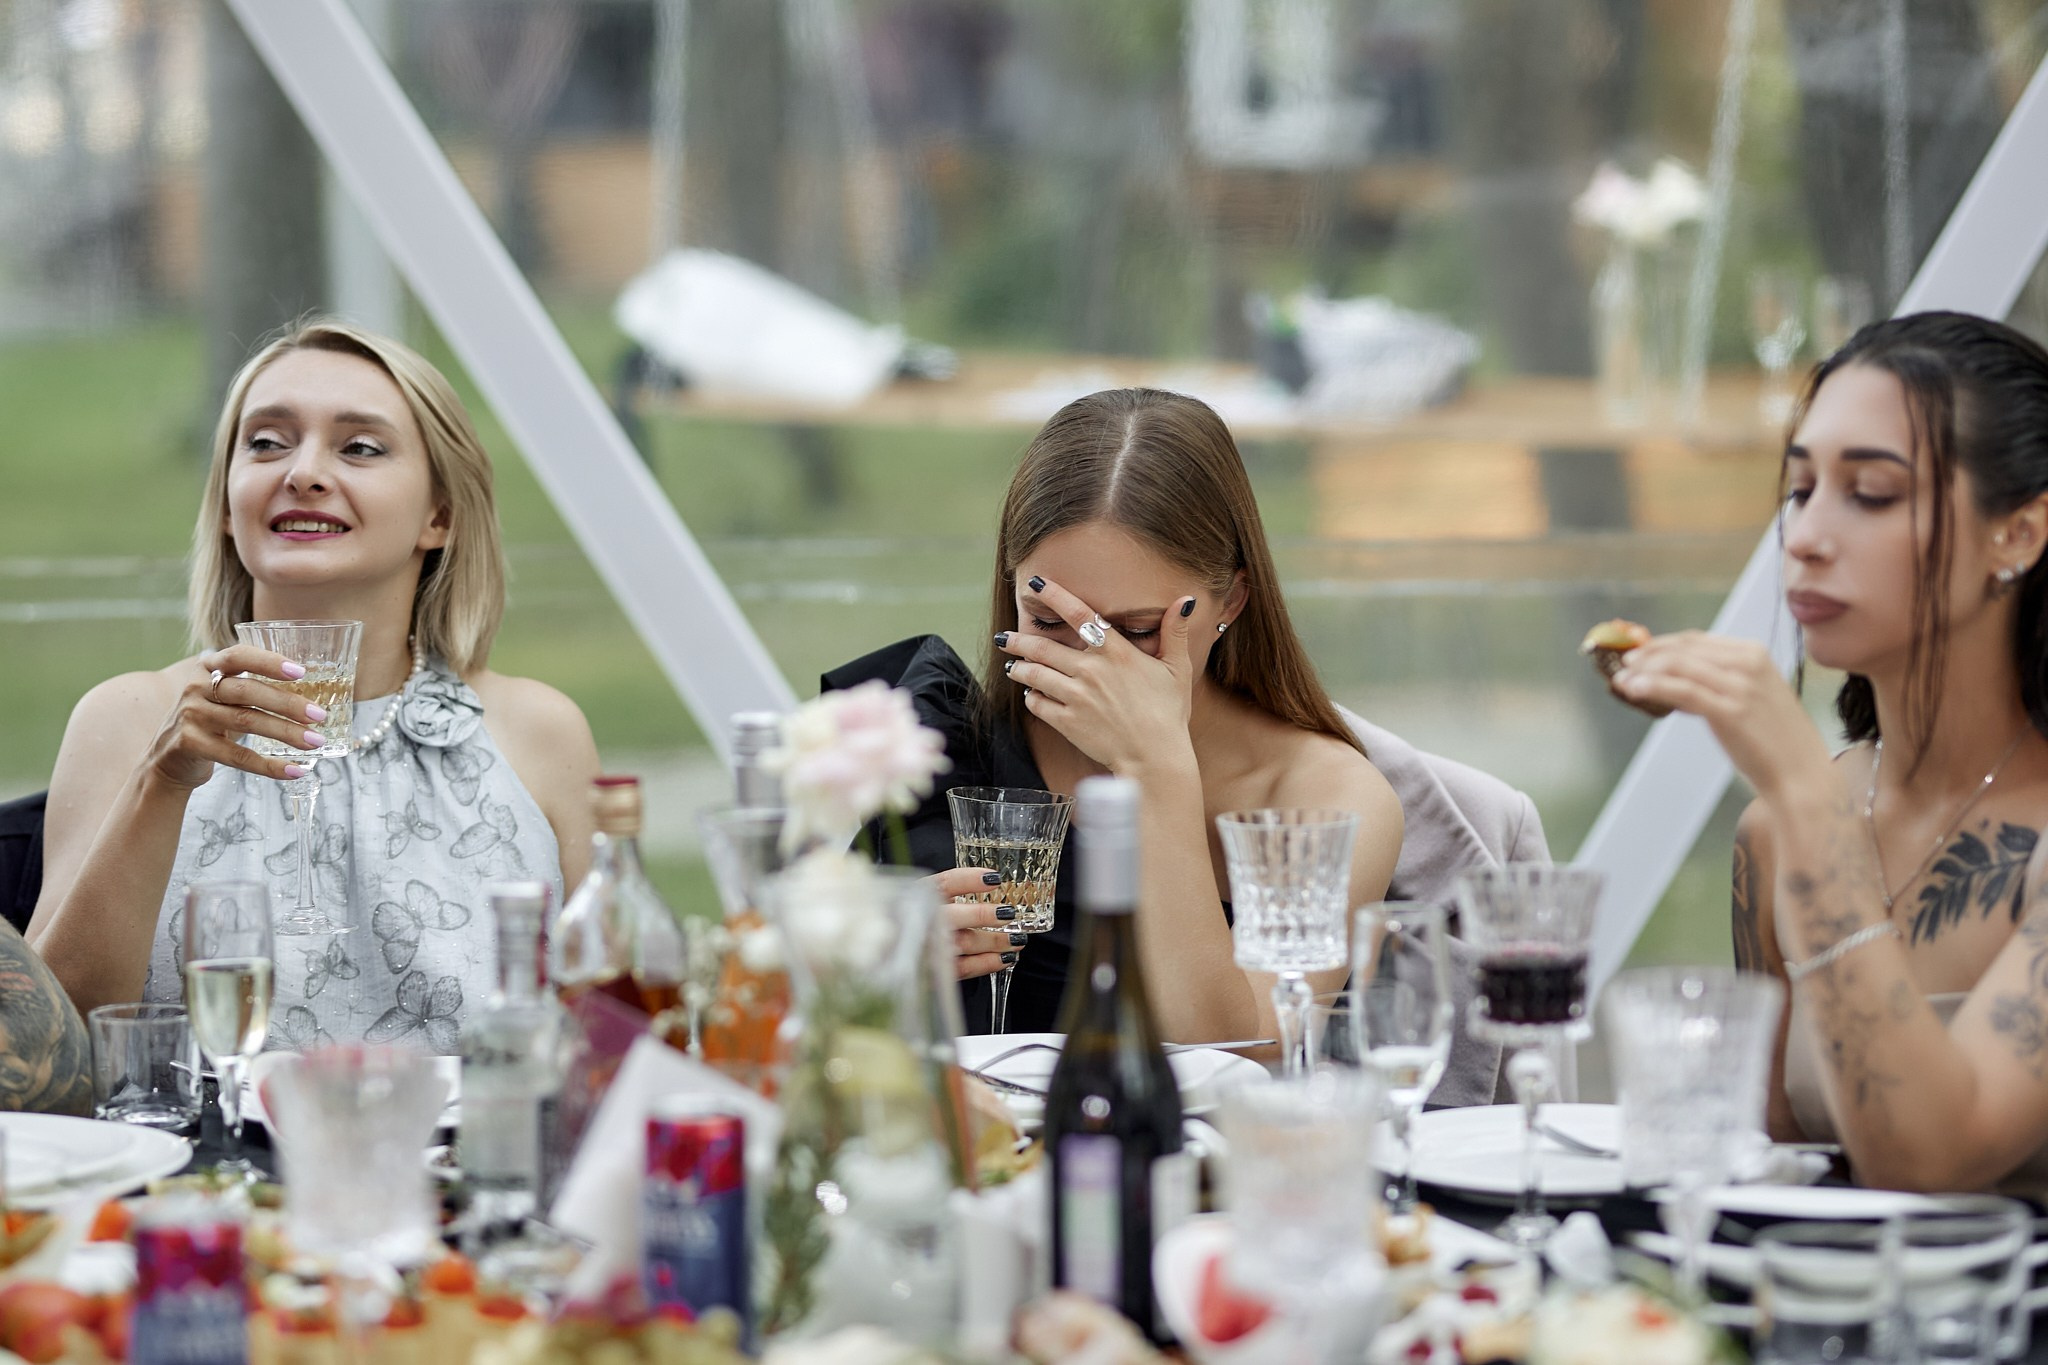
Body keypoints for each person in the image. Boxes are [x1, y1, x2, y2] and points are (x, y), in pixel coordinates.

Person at [28, 320, 600, 1050]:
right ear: (230, 507)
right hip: (200, 1166)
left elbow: (614, 1035)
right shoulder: (127, 717)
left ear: (441, 514)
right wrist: (164, 780)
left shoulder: (540, 733)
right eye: (266, 442)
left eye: (359, 447)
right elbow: (48, 1052)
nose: (302, 472)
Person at [1613, 312, 2048, 1193]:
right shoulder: (1772, 836)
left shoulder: (1800, 812)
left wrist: (1807, 791)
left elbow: (1935, 1158)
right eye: (1800, 489)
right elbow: (1775, 1178)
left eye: (1872, 493)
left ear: (2019, 534)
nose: (1805, 536)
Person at [830, 387, 1406, 1046]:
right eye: (1048, 620)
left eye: (1133, 631)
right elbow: (813, 1029)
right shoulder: (942, 749)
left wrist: (1156, 768)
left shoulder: (1322, 800)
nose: (1091, 669)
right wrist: (873, 969)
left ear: (1233, 599)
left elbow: (1244, 1051)